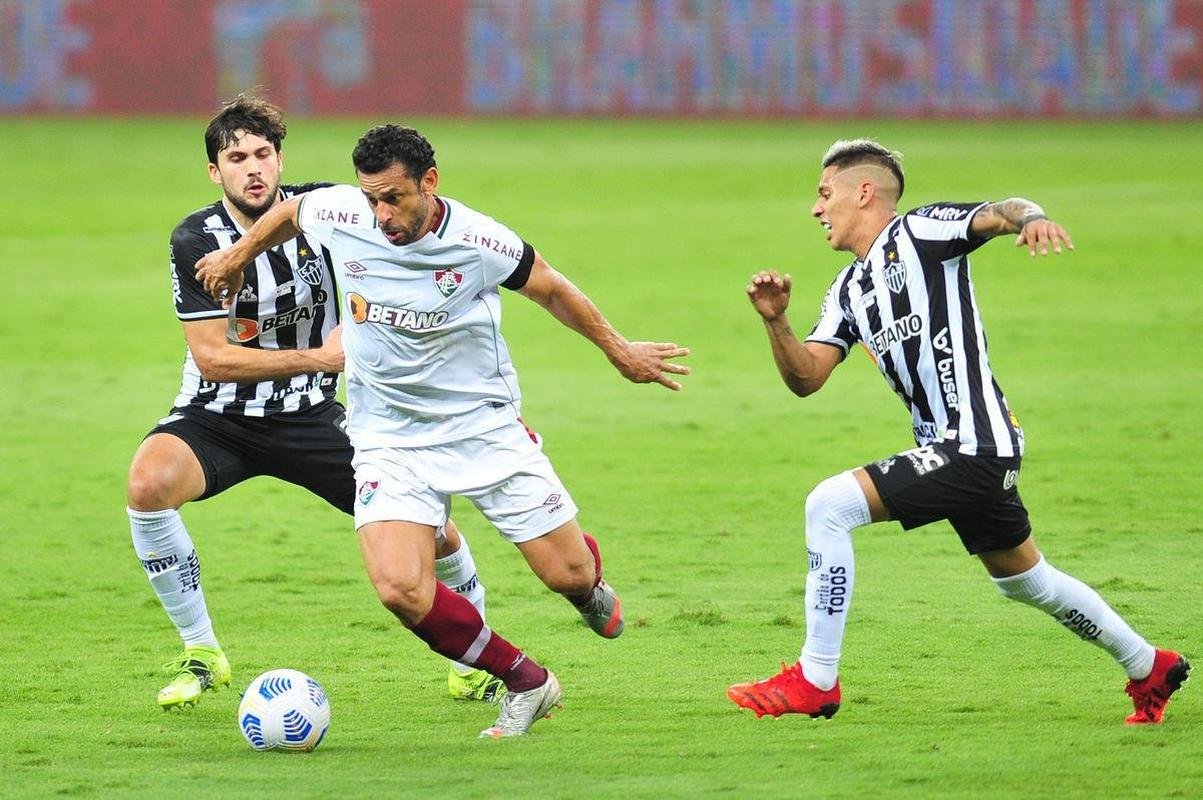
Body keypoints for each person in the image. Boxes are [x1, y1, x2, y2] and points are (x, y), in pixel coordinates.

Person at [194, 123, 691, 738]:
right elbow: (294, 211)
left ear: (429, 183)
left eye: (393, 199)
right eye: (370, 198)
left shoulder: (480, 241)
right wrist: (237, 254)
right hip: (387, 438)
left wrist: (619, 351)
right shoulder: (343, 212)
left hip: (482, 428)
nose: (379, 215)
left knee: (568, 576)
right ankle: (526, 681)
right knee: (400, 587)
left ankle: (588, 586)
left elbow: (554, 290)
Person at [727, 139, 1188, 725]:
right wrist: (777, 322)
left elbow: (1001, 211)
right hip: (957, 450)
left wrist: (1035, 217)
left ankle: (816, 679)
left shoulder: (919, 233)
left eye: (824, 194)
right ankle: (1150, 666)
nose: (817, 209)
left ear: (863, 193)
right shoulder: (847, 291)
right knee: (1025, 582)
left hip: (972, 444)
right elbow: (806, 377)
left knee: (829, 505)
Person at [128, 95, 502, 711]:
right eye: (236, 157)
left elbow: (410, 248)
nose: (254, 168)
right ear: (214, 172)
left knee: (431, 527)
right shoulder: (196, 238)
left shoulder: (335, 211)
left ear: (280, 159)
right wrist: (322, 357)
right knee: (147, 485)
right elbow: (213, 358)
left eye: (264, 154)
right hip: (218, 416)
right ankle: (201, 653)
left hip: (313, 416)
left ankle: (475, 660)